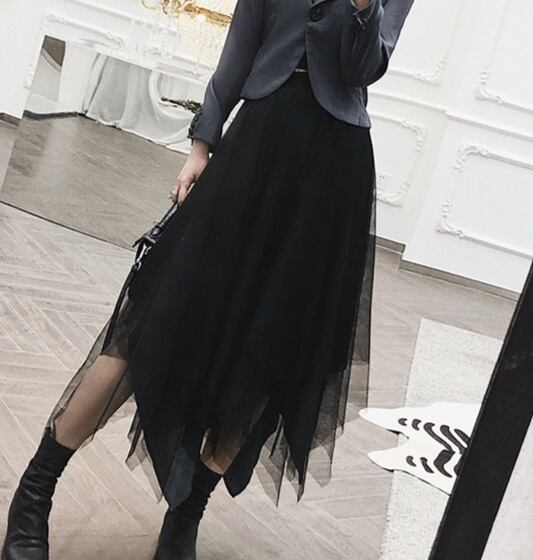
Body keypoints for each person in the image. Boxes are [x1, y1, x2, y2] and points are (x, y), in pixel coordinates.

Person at [1, 0, 415, 558]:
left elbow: (362, 68)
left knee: (270, 354)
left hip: (331, 177)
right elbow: (242, 42)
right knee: (154, 320)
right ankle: (35, 491)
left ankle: (187, 514)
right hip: (254, 150)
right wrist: (202, 142)